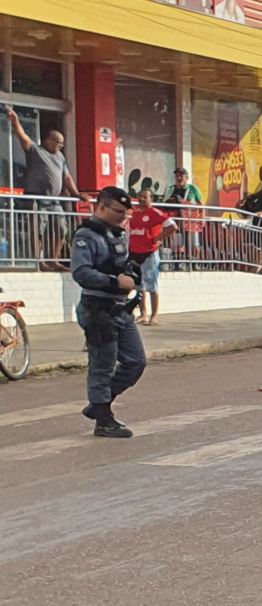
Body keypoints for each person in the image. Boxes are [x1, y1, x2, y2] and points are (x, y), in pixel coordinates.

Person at [71, 186, 146, 438]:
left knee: (136, 361)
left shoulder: (116, 233)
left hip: (121, 309)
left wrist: (132, 275)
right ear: (101, 207)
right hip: (98, 309)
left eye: (127, 213)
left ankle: (99, 405)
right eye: (119, 212)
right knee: (102, 366)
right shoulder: (86, 235)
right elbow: (81, 273)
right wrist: (115, 282)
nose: (123, 217)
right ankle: (103, 419)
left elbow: (122, 264)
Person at [6, 105, 83, 271]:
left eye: (62, 145)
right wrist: (16, 121)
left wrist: (77, 194)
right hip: (37, 198)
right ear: (48, 141)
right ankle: (39, 261)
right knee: (38, 231)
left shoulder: (60, 157)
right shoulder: (36, 151)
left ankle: (53, 259)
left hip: (54, 200)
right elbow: (22, 136)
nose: (60, 147)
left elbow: (67, 177)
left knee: (61, 229)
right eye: (58, 144)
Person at [129, 189, 177, 325]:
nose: (142, 199)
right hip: (135, 252)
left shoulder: (155, 213)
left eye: (145, 197)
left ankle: (154, 315)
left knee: (152, 285)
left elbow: (173, 226)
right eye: (140, 197)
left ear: (151, 199)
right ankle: (143, 314)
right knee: (139, 285)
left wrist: (158, 238)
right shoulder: (134, 213)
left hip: (149, 253)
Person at [165, 167, 204, 266]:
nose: (178, 178)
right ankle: (179, 263)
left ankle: (195, 263)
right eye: (177, 176)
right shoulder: (171, 189)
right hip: (177, 221)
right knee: (178, 242)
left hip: (192, 221)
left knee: (193, 243)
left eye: (181, 176)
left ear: (187, 177)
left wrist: (202, 219)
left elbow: (201, 204)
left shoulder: (193, 188)